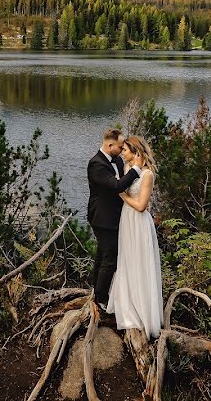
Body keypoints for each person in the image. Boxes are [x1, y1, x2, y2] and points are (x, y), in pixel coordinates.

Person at [106, 135, 163, 339]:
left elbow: (141, 206)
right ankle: (127, 305)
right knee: (127, 261)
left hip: (139, 223)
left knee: (140, 263)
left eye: (126, 151)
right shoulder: (128, 169)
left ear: (136, 152)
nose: (122, 153)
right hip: (126, 220)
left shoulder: (147, 175)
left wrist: (123, 196)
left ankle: (142, 313)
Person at [87, 128, 141, 309]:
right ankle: (101, 299)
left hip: (117, 215)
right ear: (110, 145)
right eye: (120, 146)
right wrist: (137, 170)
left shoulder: (117, 159)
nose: (122, 149)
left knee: (102, 254)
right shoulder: (96, 165)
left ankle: (97, 291)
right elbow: (117, 186)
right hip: (102, 217)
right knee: (110, 256)